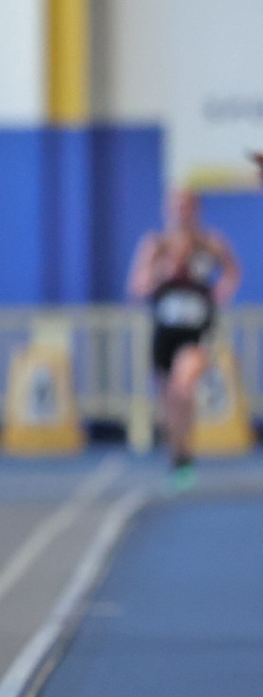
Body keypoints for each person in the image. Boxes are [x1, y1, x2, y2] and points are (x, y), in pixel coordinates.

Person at [126, 188, 240, 490]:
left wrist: (220, 292)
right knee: (169, 404)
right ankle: (180, 457)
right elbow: (137, 287)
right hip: (164, 335)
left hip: (195, 333)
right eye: (175, 207)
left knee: (182, 387)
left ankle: (183, 457)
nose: (181, 213)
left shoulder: (210, 243)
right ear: (167, 211)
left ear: (196, 210)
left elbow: (232, 272)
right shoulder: (155, 246)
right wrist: (160, 275)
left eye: (187, 207)